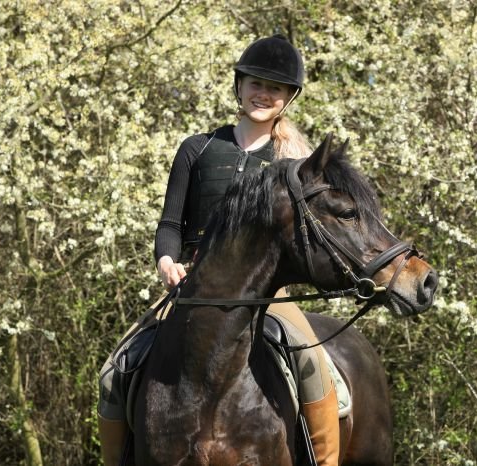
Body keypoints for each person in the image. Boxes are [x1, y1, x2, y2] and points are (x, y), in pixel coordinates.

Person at [97, 34, 339, 466]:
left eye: (275, 88)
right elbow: (171, 223)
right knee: (117, 368)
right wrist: (167, 262)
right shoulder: (198, 148)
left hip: (268, 294)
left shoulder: (292, 165)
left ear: (287, 99)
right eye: (256, 83)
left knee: (315, 365)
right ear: (239, 86)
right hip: (192, 286)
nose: (263, 93)